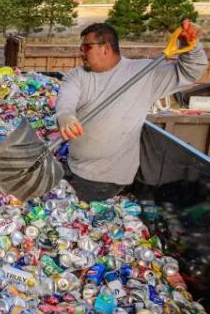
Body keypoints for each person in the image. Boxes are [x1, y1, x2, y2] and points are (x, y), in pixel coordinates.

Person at [55, 20, 208, 201]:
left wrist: (189, 44)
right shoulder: (77, 75)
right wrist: (65, 116)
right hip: (75, 167)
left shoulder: (143, 73)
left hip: (104, 180)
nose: (81, 52)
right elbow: (66, 99)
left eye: (86, 47)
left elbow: (190, 71)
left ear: (105, 48)